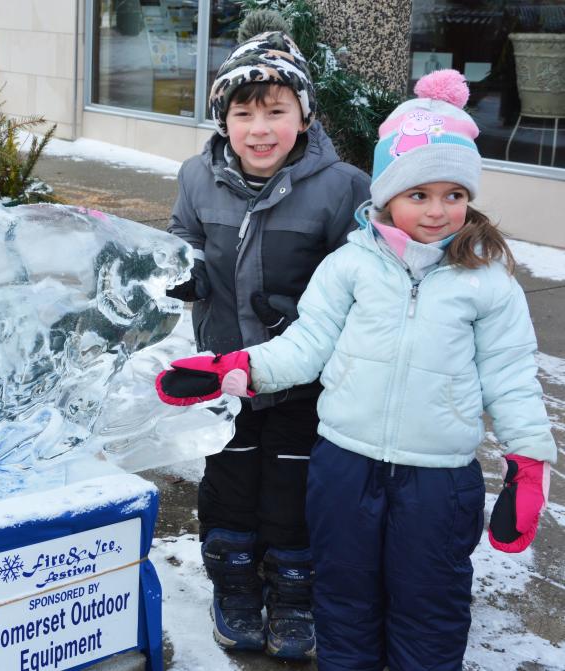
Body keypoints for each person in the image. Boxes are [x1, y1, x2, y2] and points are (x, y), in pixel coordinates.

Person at [156, 69, 556, 670]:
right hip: (345, 460)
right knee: (342, 595)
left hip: (438, 476)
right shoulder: (351, 266)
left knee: (430, 599)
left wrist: (528, 459)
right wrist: (235, 369)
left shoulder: (488, 284)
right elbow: (308, 342)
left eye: (454, 195)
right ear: (387, 194)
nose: (437, 211)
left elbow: (510, 375)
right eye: (418, 194)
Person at [163, 15, 370, 660]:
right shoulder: (197, 178)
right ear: (223, 118)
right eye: (244, 112)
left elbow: (360, 279)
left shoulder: (344, 188)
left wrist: (305, 324)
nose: (260, 128)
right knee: (229, 480)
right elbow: (183, 243)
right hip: (224, 368)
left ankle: (293, 596)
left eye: (276, 110)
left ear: (303, 117)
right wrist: (180, 276)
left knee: (292, 487)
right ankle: (235, 589)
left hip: (305, 376)